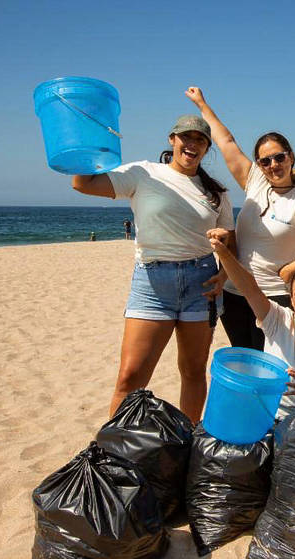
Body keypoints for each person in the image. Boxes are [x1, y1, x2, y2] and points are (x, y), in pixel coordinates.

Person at [70, 114, 233, 423]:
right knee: (130, 378)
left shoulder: (218, 193)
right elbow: (84, 184)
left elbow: (230, 241)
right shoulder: (143, 173)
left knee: (194, 373)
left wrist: (224, 273)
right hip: (152, 283)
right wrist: (81, 145)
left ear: (207, 148)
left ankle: (188, 442)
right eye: (186, 137)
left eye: (200, 140)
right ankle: (113, 452)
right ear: (172, 140)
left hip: (202, 283)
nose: (192, 144)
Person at [186, 86, 295, 350]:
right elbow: (227, 142)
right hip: (234, 293)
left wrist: (294, 268)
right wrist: (202, 104)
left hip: (274, 298)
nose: (273, 165)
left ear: (291, 157)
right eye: (265, 161)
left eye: (279, 157)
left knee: (267, 364)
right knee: (243, 360)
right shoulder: (256, 182)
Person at [206, 228, 295, 420]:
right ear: (292, 301)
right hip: (263, 414)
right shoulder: (279, 320)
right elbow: (250, 288)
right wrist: (223, 252)